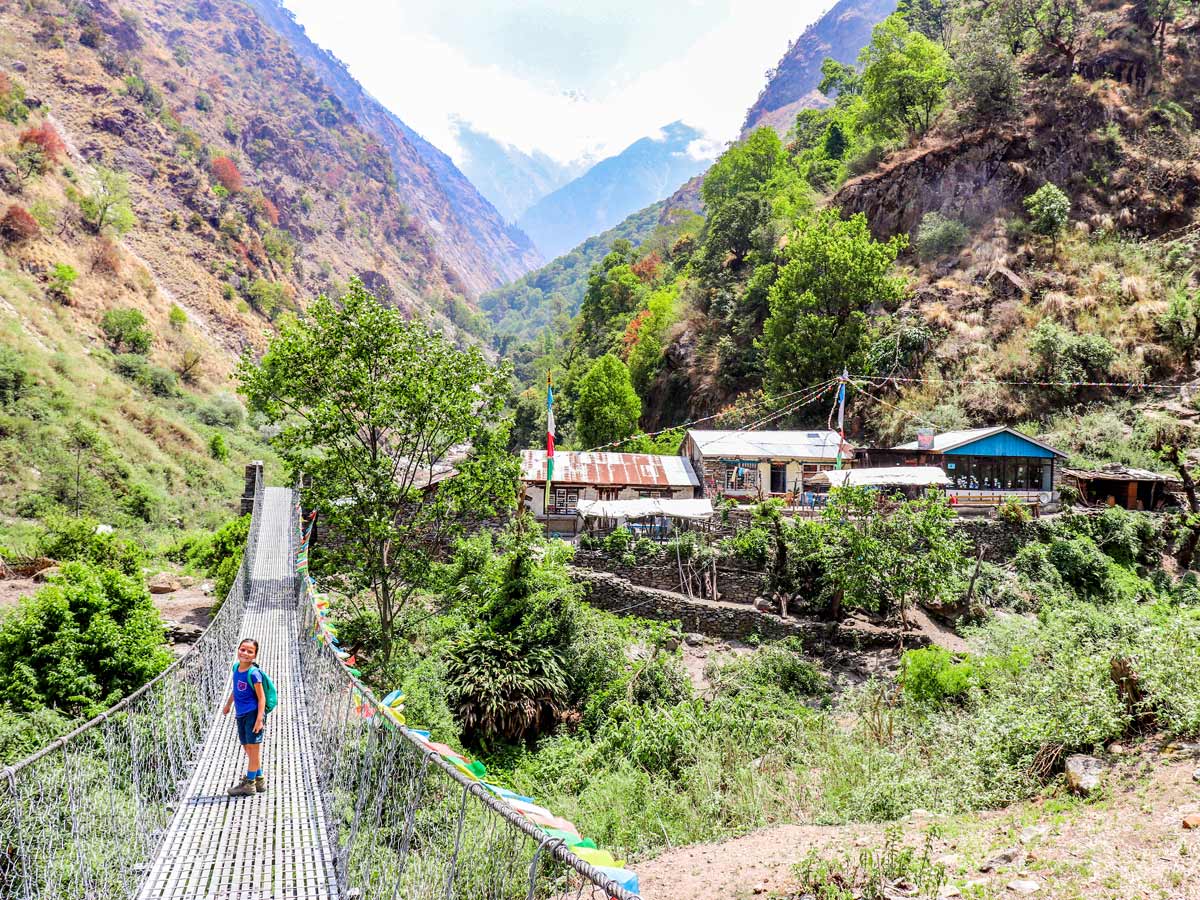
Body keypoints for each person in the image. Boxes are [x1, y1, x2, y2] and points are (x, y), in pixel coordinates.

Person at [223, 638, 267, 796]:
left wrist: (259, 719)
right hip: (240, 713)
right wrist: (228, 704)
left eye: (250, 651)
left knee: (253, 748)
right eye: (243, 649)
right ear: (238, 649)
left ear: (255, 656)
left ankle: (249, 784)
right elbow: (236, 690)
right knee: (247, 747)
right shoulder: (236, 668)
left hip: (252, 714)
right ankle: (259, 779)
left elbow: (262, 698)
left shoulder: (254, 673)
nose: (245, 653)